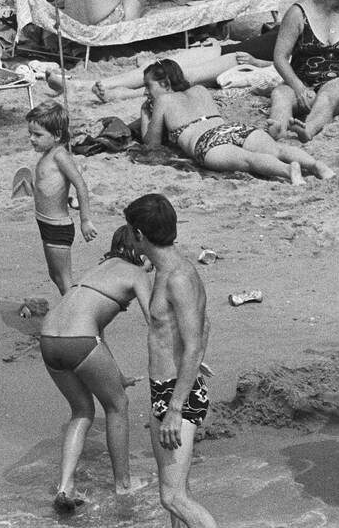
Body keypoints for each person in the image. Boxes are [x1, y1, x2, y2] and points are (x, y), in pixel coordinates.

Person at [40, 227, 151, 511]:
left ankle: (65, 486)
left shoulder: (97, 271)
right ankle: (123, 485)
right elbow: (155, 320)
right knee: (118, 405)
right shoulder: (136, 273)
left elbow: (97, 332)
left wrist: (116, 375)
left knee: (82, 411)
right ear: (139, 249)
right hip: (80, 340)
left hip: (49, 339)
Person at [125, 193, 219, 528]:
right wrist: (193, 360)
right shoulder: (169, 270)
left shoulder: (178, 277)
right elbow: (203, 326)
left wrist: (175, 408)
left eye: (129, 230)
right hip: (169, 388)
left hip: (177, 395)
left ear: (139, 234)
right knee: (180, 492)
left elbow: (193, 344)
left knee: (172, 497)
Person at [142, 58, 335, 183]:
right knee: (278, 149)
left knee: (249, 160)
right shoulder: (199, 90)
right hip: (232, 128)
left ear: (164, 83)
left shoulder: (162, 101)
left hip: (206, 142)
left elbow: (152, 143)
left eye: (148, 86)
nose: (146, 92)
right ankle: (315, 165)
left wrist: (145, 113)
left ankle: (287, 170)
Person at [25, 100, 97, 294]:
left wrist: (85, 220)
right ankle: (71, 308)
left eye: (38, 135)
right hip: (45, 222)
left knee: (65, 280)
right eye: (30, 133)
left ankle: (75, 310)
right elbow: (53, 187)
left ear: (56, 135)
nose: (32, 139)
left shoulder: (59, 155)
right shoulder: (47, 154)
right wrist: (67, 199)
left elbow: (80, 185)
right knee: (54, 275)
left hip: (57, 226)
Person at [91, 29, 279, 103]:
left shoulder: (297, 32)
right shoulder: (293, 18)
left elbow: (289, 64)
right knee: (160, 66)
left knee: (180, 76)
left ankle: (124, 94)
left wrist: (258, 63)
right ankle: (103, 83)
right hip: (227, 49)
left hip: (240, 60)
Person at [269, 0, 339, 142]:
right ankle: (278, 129)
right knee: (281, 94)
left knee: (332, 90)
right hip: (303, 85)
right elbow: (280, 57)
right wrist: (299, 88)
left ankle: (308, 129)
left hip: (338, 86)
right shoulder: (298, 13)